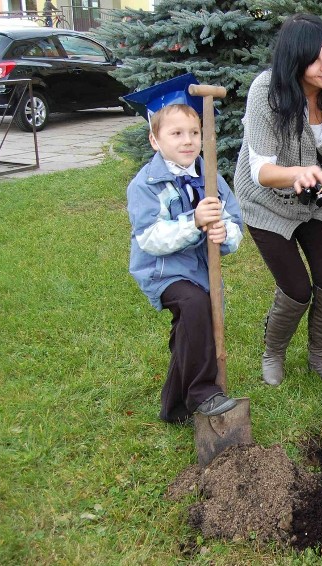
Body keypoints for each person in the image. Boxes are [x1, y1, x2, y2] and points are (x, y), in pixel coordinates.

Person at [233, 14, 322, 390]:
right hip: (266, 201)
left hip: (318, 200)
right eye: (315, 59)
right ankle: (273, 353)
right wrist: (298, 173)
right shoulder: (267, 92)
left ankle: (318, 356)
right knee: (296, 289)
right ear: (294, 61)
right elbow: (262, 169)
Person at [123, 74, 244, 424]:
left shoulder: (210, 176)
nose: (188, 141)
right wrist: (194, 222)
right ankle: (203, 393)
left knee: (189, 333)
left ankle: (174, 408)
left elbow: (233, 221)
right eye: (176, 134)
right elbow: (149, 237)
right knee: (194, 308)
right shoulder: (146, 185)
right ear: (155, 139)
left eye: (194, 132)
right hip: (163, 272)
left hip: (199, 271)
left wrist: (224, 233)